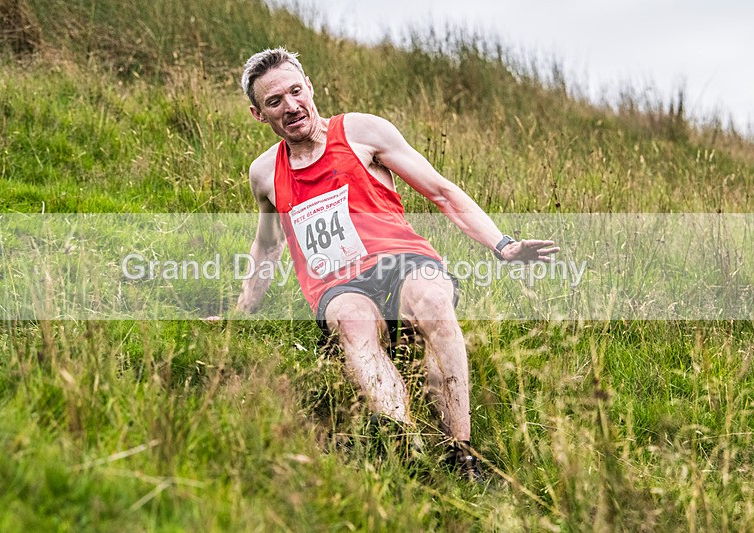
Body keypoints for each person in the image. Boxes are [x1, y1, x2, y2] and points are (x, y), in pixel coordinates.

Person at [235, 48, 559, 481]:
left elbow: (441, 192)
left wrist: (502, 244)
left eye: (296, 91)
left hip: (403, 261)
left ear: (310, 88)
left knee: (431, 301)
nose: (291, 107)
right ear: (260, 114)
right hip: (339, 285)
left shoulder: (361, 132)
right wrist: (242, 312)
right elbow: (267, 246)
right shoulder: (264, 173)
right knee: (352, 319)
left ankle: (460, 454)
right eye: (275, 102)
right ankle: (402, 443)